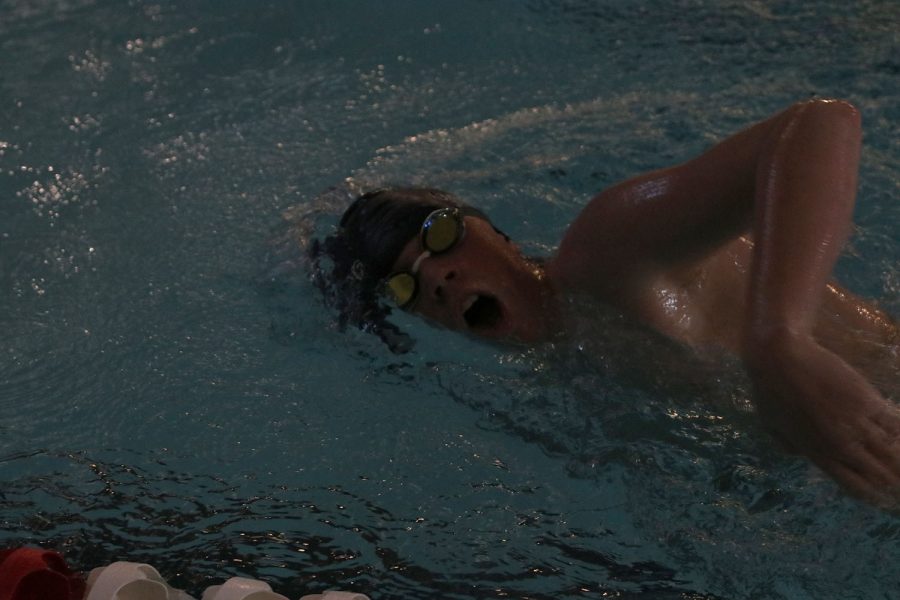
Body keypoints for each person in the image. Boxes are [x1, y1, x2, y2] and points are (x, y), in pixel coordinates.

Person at [312, 99, 900, 506]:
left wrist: (781, 339)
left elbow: (818, 125)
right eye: (406, 286)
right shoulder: (561, 378)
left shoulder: (605, 256)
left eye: (441, 235)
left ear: (497, 233)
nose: (437, 277)